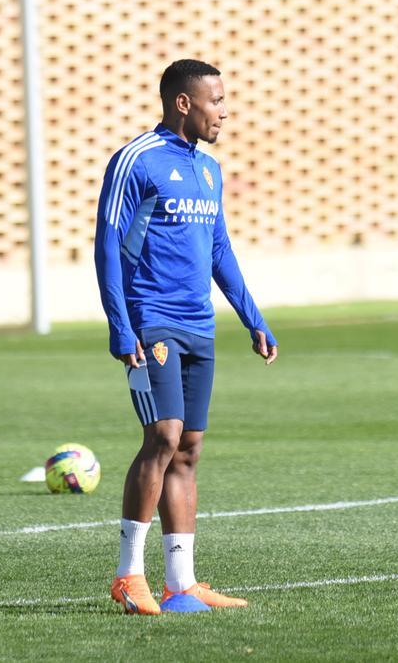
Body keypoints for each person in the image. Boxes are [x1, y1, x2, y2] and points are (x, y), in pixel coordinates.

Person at [95, 59, 278, 615]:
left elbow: (220, 249)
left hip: (199, 325)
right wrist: (120, 325)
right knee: (164, 435)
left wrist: (252, 317)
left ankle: (182, 582)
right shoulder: (136, 160)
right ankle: (129, 575)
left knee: (189, 448)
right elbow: (107, 244)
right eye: (216, 100)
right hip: (150, 320)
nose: (224, 110)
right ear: (184, 103)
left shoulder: (209, 170)